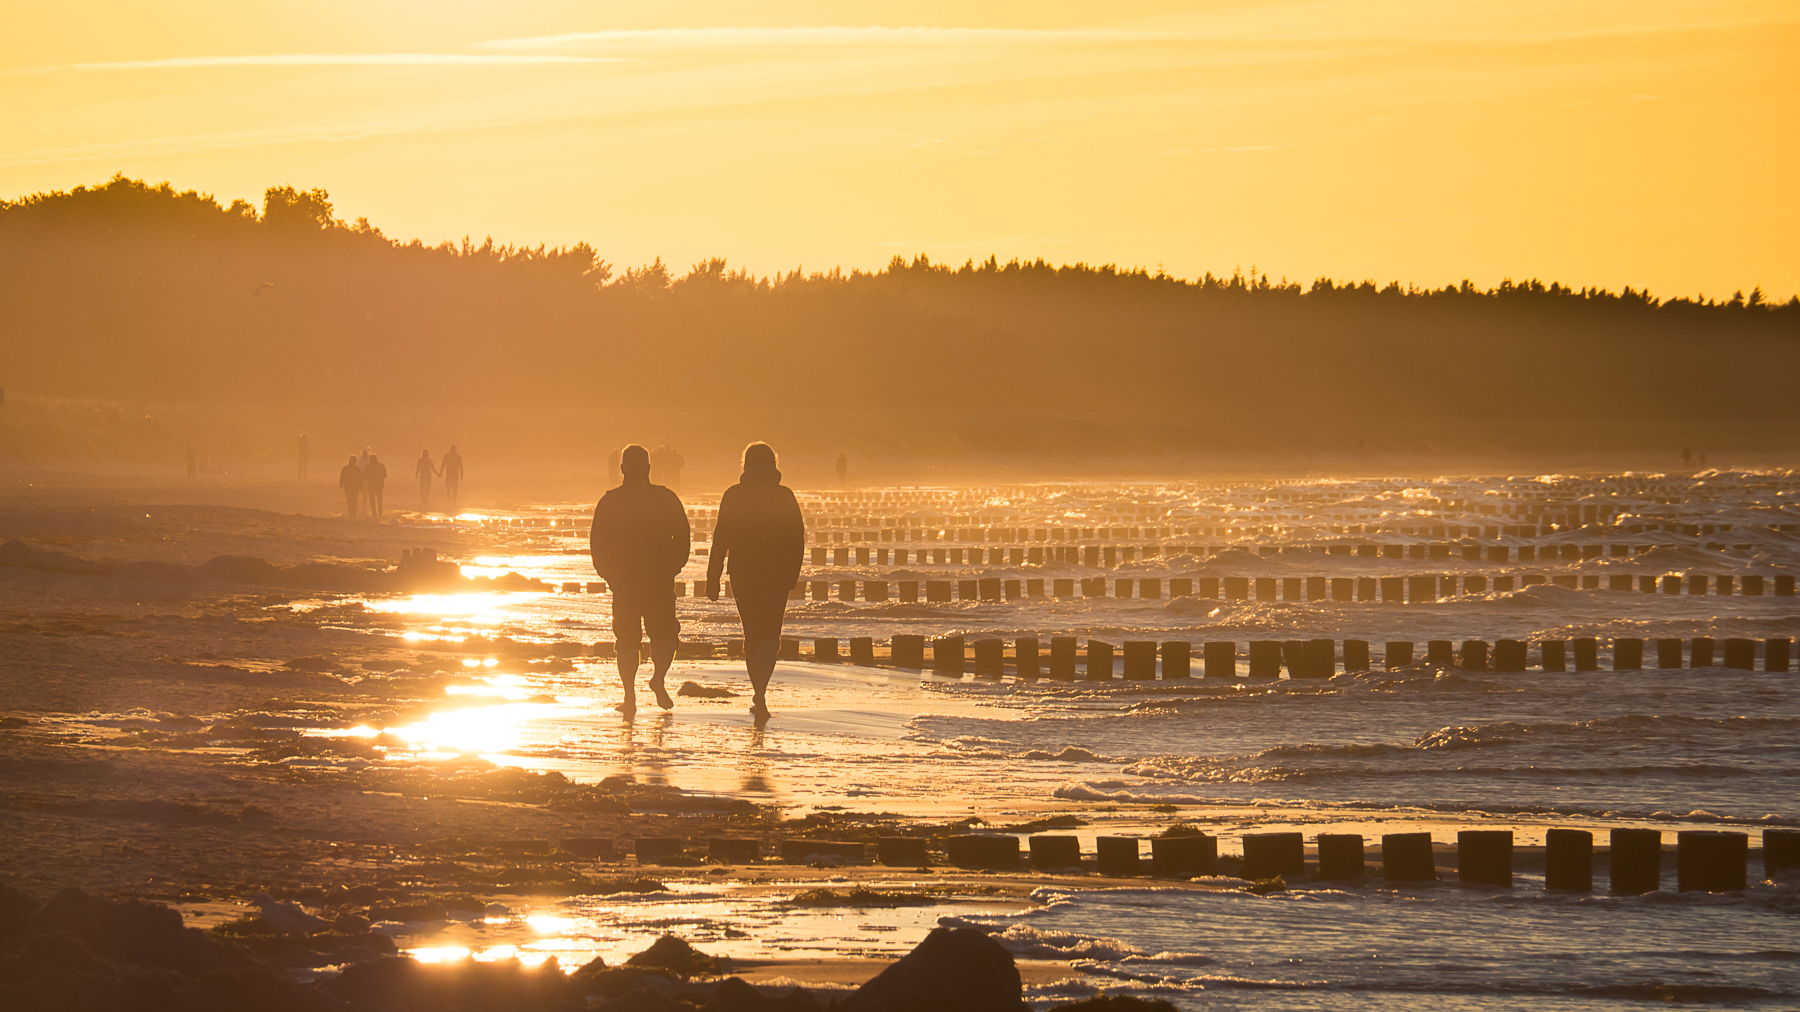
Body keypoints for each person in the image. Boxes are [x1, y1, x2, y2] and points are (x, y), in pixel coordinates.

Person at [707, 442, 805, 720]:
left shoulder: (734, 495)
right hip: (776, 575)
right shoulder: (784, 496)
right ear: (773, 465)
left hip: (743, 574)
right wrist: (792, 574)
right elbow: (797, 538)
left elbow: (720, 538)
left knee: (752, 633)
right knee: (770, 635)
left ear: (746, 466)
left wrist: (712, 577)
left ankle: (757, 689)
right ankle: (760, 690)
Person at [590, 444, 690, 715]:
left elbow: (597, 543)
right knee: (666, 635)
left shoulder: (610, 501)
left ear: (622, 469)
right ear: (648, 468)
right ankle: (658, 678)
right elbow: (682, 537)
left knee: (626, 640)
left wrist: (608, 573)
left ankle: (630, 696)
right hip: (658, 580)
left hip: (624, 583)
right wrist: (672, 567)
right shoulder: (666, 498)